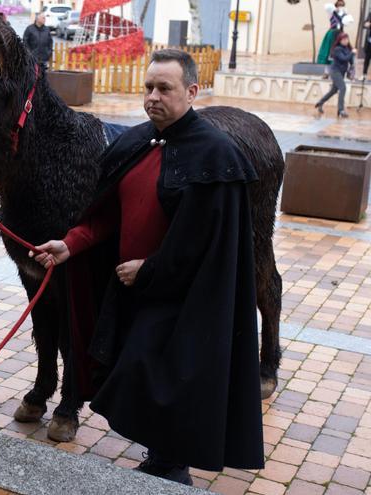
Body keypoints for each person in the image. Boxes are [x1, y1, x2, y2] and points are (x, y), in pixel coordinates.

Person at [32, 49, 263, 485]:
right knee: (139, 377)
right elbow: (107, 217)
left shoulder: (216, 157)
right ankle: (162, 459)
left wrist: (151, 269)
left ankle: (172, 471)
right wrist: (71, 243)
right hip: (131, 289)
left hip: (186, 300)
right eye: (149, 87)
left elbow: (206, 244)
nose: (153, 97)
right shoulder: (135, 142)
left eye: (165, 88)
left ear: (192, 92)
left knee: (162, 381)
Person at [315, 32, 355, 118]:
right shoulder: (337, 49)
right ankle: (341, 110)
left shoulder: (348, 49)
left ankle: (320, 103)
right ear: (339, 40)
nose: (346, 41)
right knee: (343, 88)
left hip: (341, 72)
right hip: (335, 71)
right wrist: (352, 53)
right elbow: (344, 59)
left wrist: (352, 67)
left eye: (347, 39)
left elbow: (350, 61)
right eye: (343, 39)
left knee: (333, 90)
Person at [363, 10, 370, 78]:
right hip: (369, 42)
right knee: (367, 59)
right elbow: (364, 24)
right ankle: (364, 75)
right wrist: (366, 24)